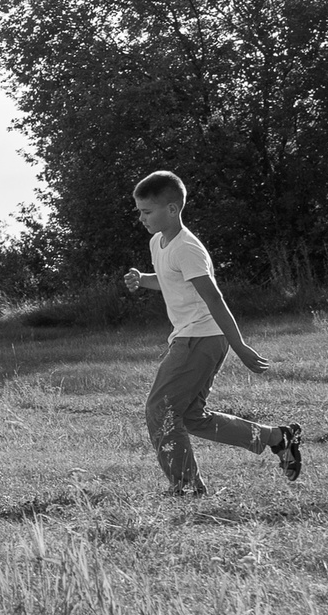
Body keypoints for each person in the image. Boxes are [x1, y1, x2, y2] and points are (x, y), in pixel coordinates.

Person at [122, 172, 300, 497]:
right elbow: (171, 279)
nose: (141, 218)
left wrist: (240, 345)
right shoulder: (158, 242)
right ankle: (277, 438)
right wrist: (144, 279)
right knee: (191, 417)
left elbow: (213, 297)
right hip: (190, 337)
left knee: (160, 409)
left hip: (201, 338)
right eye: (139, 211)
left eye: (147, 211)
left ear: (173, 208)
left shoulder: (188, 248)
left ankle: (187, 488)